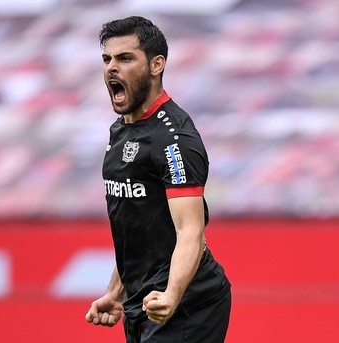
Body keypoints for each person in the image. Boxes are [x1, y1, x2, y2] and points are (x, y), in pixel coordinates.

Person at [85, 16, 231, 342]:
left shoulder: (174, 138)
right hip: (143, 302)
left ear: (156, 65)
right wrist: (115, 291)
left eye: (125, 58)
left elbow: (190, 231)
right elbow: (138, 230)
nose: (111, 68)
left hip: (189, 303)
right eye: (107, 59)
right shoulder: (120, 130)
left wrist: (172, 295)